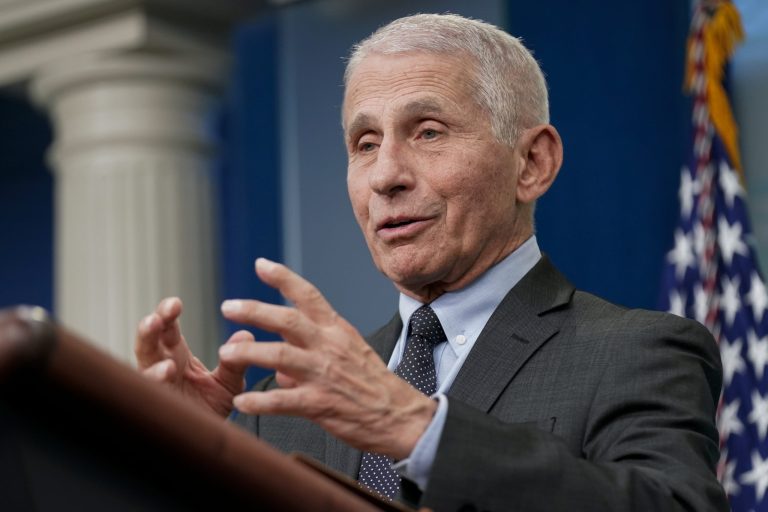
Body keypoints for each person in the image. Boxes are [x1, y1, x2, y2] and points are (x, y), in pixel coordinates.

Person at [135, 13, 728, 511]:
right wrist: (190, 453)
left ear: (532, 164)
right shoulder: (284, 406)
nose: (386, 177)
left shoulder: (638, 353)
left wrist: (420, 431)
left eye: (427, 132)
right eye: (364, 144)